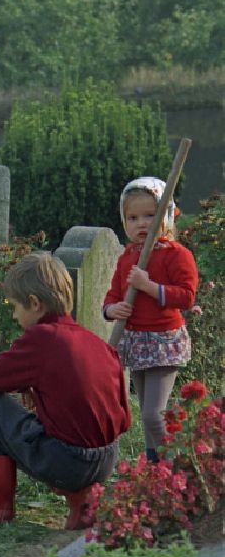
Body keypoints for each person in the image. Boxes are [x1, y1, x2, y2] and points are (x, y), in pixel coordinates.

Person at [0, 252, 131, 529]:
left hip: (67, 463)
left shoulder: (43, 337)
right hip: (106, 460)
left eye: (15, 307)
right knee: (67, 428)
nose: (14, 315)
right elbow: (123, 418)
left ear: (35, 304)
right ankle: (83, 504)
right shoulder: (96, 343)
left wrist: (25, 381)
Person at [103, 176, 199, 461]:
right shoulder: (126, 257)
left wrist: (150, 287)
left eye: (149, 215)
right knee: (145, 413)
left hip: (163, 342)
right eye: (132, 217)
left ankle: (181, 466)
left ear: (166, 217)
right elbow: (112, 294)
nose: (141, 223)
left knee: (153, 414)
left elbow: (186, 296)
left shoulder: (176, 255)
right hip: (136, 341)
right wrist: (111, 310)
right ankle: (155, 468)